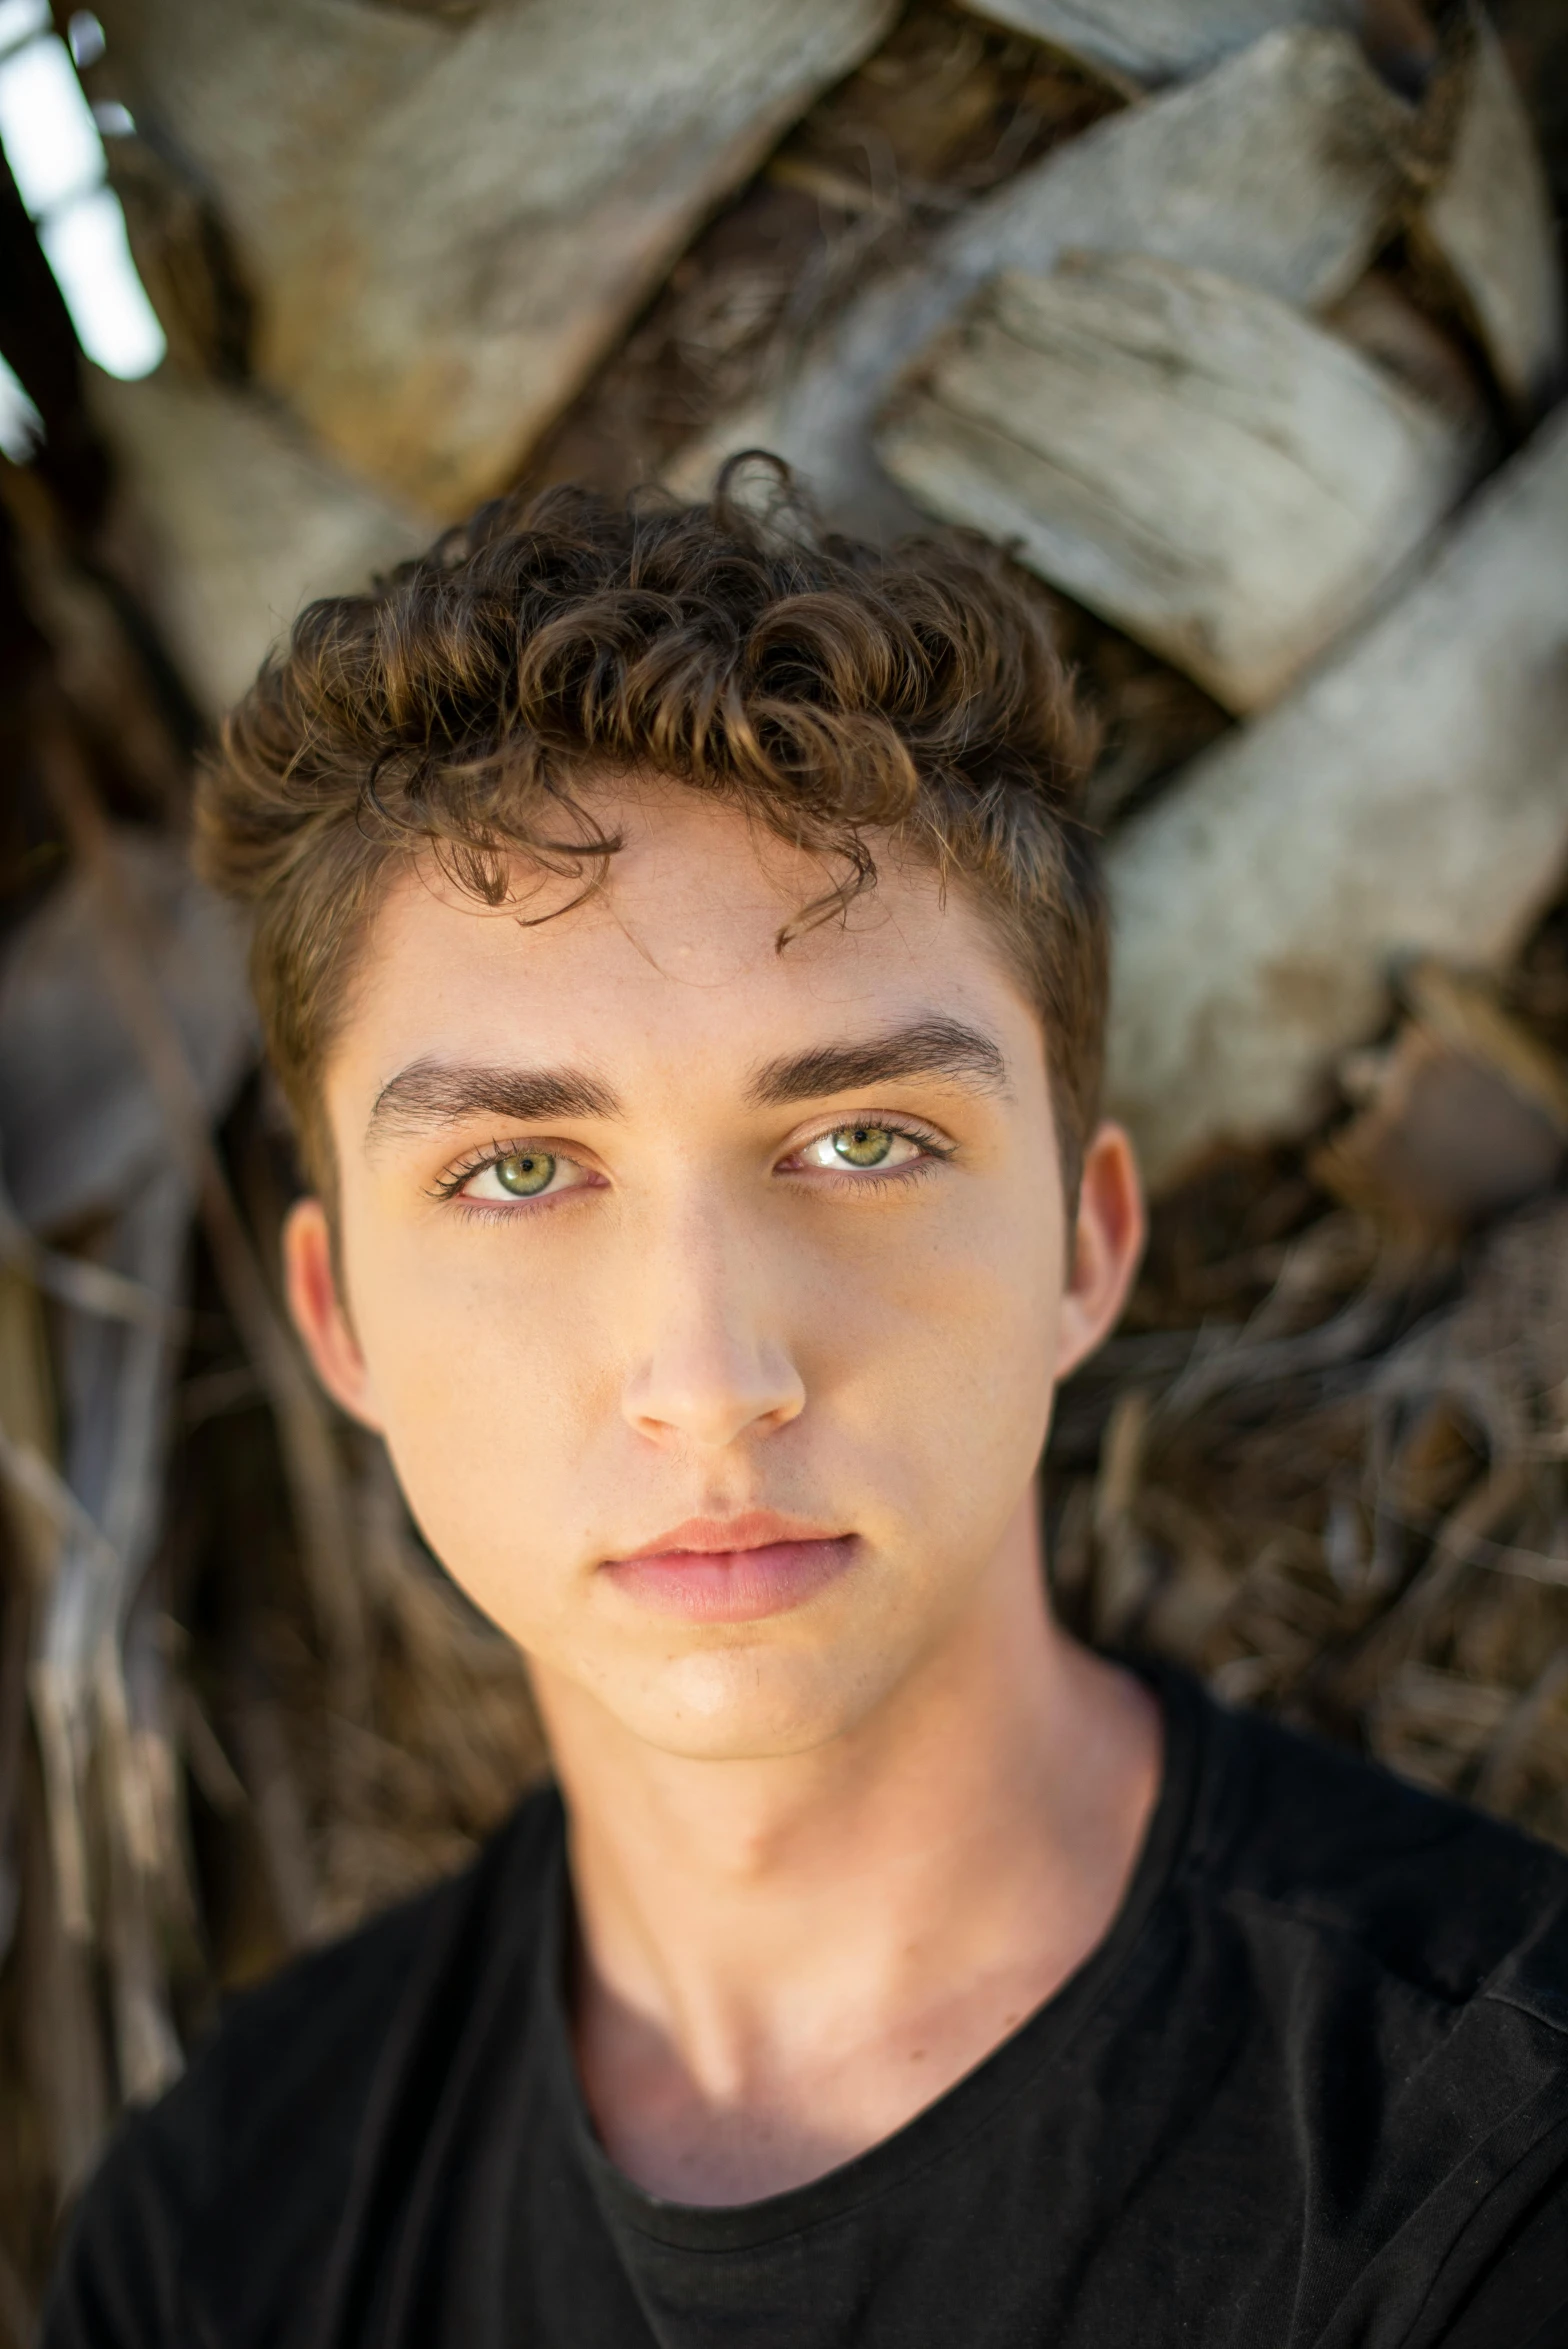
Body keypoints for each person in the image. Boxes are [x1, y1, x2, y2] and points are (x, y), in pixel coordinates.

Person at [45, 470, 1568, 2349]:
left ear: (1086, 1250)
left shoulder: (1499, 2158)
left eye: (863, 1140)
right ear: (337, 1313)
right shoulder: (220, 2236)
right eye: (520, 1170)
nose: (710, 1381)